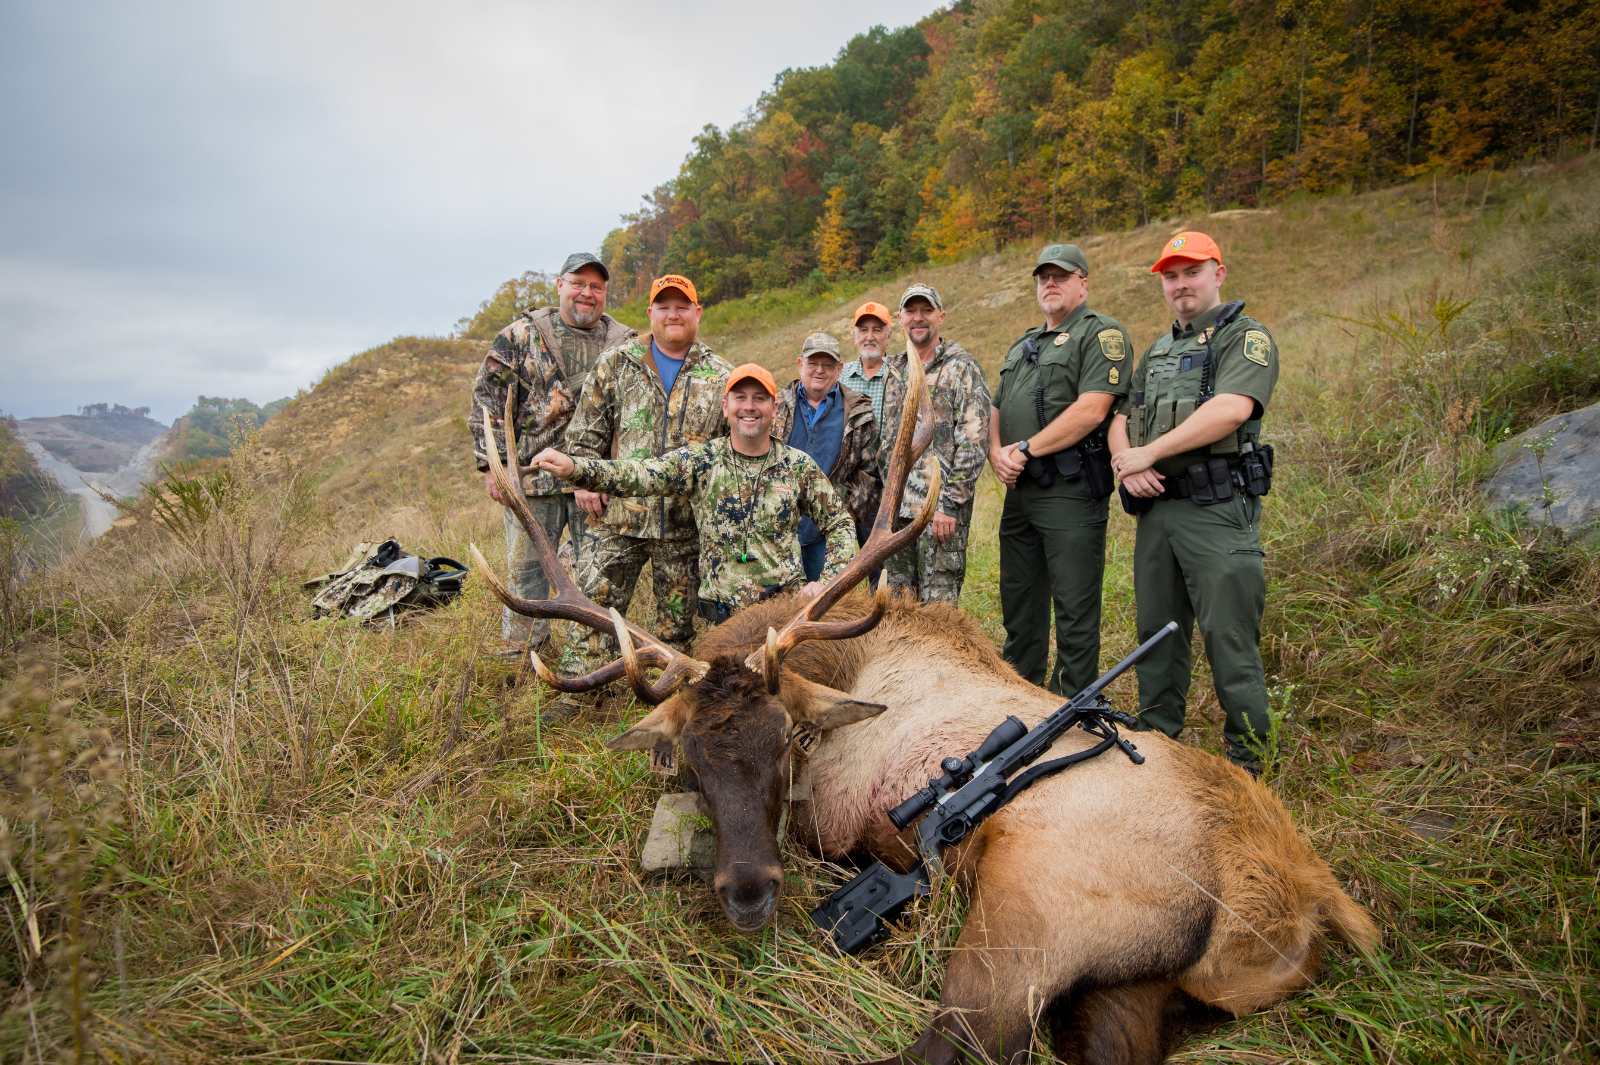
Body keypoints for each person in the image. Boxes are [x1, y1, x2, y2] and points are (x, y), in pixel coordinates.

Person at [1109, 231, 1279, 773]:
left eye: (1191, 272)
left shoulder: (1244, 338)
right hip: (1158, 514)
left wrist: (1149, 452)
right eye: (1171, 276)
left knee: (1229, 638)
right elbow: (1120, 419)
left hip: (1217, 511)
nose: (1180, 284)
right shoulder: (1158, 350)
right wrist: (1125, 465)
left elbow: (1231, 409)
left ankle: (1249, 762)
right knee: (1158, 633)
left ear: (1218, 273)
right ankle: (1159, 743)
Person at [528, 364, 858, 623]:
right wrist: (576, 468)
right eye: (740, 398)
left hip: (784, 614)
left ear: (774, 407)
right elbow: (641, 474)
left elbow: (839, 522)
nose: (750, 407)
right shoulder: (701, 461)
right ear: (726, 406)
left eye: (760, 398)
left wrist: (827, 581)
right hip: (721, 620)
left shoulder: (798, 466)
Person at [560, 273, 732, 667]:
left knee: (677, 629)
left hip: (683, 527)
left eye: (682, 306)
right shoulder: (617, 363)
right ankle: (580, 692)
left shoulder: (720, 376)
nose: (673, 314)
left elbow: (731, 451)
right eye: (664, 306)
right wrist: (584, 483)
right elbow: (586, 431)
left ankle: (671, 701)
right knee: (595, 609)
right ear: (650, 312)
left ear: (697, 312)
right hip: (619, 517)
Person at [469, 252, 636, 650]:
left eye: (596, 286)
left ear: (605, 293)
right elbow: (487, 401)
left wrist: (611, 477)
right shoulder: (520, 336)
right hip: (532, 483)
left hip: (595, 487)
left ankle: (594, 661)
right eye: (578, 283)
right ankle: (522, 659)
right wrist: (494, 467)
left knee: (600, 578)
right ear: (560, 285)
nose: (587, 293)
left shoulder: (626, 345)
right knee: (527, 577)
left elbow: (633, 415)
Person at [990, 244, 1131, 695]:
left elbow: (1092, 409)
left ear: (1083, 282)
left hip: (1069, 490)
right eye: (1043, 277)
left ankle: (1071, 706)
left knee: (1073, 606)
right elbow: (997, 406)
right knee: (1020, 602)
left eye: (1061, 276)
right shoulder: (1023, 344)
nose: (1049, 284)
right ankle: (1020, 693)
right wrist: (997, 454)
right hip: (1021, 493)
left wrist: (1025, 449)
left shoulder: (1101, 334)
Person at [877, 283, 990, 604]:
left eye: (926, 310)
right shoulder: (894, 371)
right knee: (898, 609)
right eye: (911, 311)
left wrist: (950, 504)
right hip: (896, 515)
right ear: (900, 318)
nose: (918, 318)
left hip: (938, 516)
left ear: (940, 315)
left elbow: (973, 441)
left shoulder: (961, 368)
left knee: (938, 612)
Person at [772, 331, 880, 577]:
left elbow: (868, 476)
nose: (819, 370)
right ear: (800, 364)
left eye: (827, 364)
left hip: (825, 536)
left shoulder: (857, 414)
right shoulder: (775, 407)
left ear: (839, 369)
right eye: (813, 363)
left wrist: (839, 516)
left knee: (821, 606)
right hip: (776, 532)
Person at [840, 301, 892, 421]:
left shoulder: (902, 376)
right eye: (863, 330)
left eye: (877, 330)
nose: (869, 337)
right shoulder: (839, 376)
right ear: (855, 336)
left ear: (888, 335)